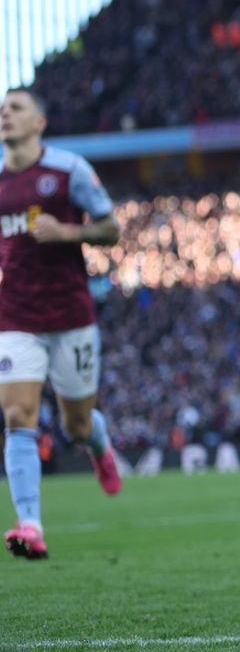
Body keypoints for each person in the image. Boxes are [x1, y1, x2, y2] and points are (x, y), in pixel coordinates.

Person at [0, 88, 124, 561]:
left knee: (75, 425)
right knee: (18, 417)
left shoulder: (67, 171)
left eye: (16, 109)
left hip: (71, 315)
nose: (5, 116)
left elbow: (111, 228)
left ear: (39, 122)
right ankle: (30, 524)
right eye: (2, 111)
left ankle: (99, 443)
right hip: (14, 316)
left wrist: (67, 232)